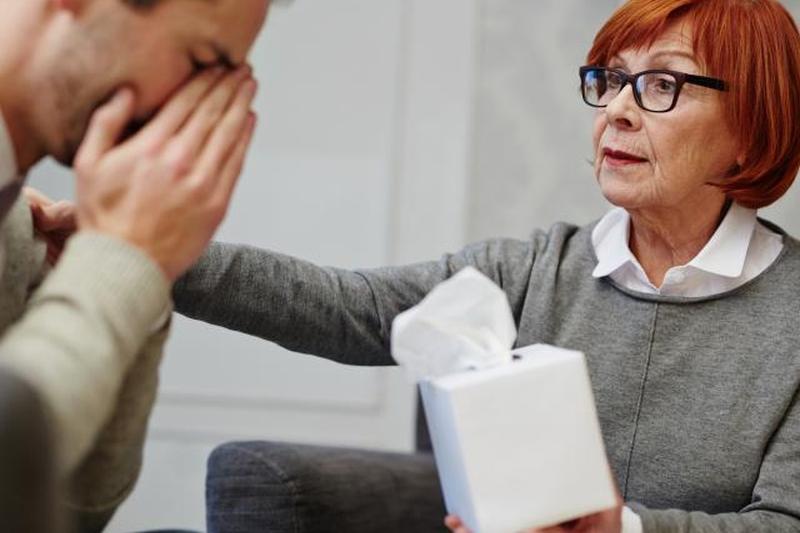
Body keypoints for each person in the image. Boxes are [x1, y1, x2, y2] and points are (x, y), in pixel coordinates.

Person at [30, 0, 800, 531]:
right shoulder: (540, 267)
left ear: (752, 126)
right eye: (610, 79)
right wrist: (138, 248)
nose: (618, 110)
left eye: (662, 84)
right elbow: (345, 307)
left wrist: (621, 528)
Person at [0, 0, 268, 530]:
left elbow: (80, 509)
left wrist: (140, 281)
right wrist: (121, 264)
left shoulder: (15, 221)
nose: (190, 113)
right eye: (199, 62)